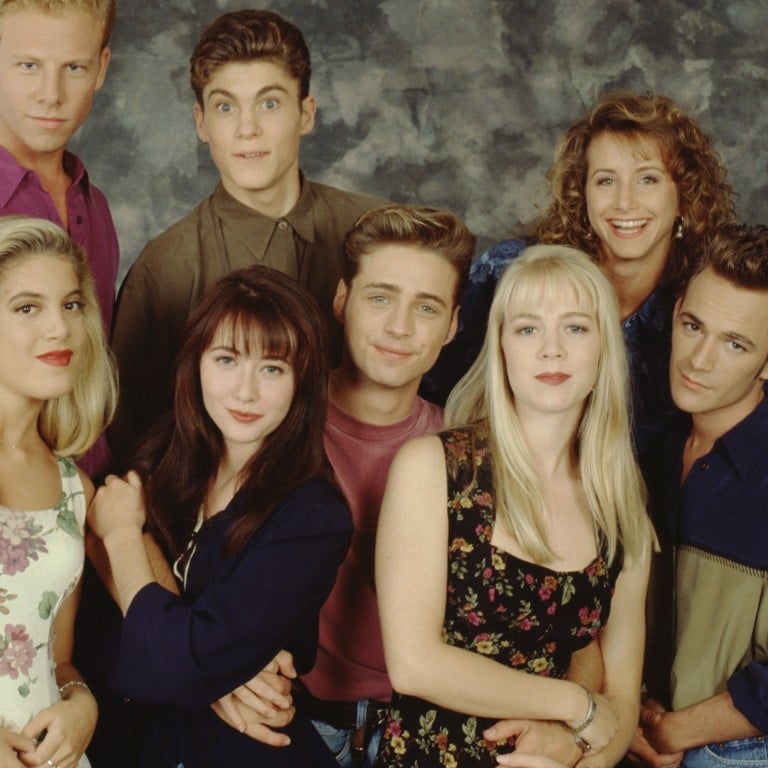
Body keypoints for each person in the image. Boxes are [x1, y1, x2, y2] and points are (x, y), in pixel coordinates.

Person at [375, 245, 653, 767]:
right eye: (528, 329)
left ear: (604, 351)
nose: (552, 350)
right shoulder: (434, 469)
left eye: (575, 328)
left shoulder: (621, 506)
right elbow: (414, 665)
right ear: (501, 348)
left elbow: (622, 703)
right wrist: (576, 706)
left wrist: (576, 756)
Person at [88, 265, 353, 767]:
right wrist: (216, 671)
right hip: (137, 745)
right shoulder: (159, 453)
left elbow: (176, 661)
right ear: (197, 363)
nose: (245, 391)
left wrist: (124, 537)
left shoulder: (313, 518)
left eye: (273, 368)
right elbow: (96, 630)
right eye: (227, 359)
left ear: (303, 382)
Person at [109, 8, 385, 459]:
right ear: (202, 123)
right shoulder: (165, 270)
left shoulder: (375, 237)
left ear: (306, 113)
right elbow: (133, 437)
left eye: (269, 103)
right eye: (225, 107)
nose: (247, 128)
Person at [424, 90, 736, 470]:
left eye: (648, 179)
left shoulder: (700, 311)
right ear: (582, 192)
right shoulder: (508, 274)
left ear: (684, 196)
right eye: (606, 181)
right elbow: (427, 394)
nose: (625, 202)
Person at [295, 205, 475, 767]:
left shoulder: (469, 451)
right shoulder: (273, 418)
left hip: (422, 729)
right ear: (342, 299)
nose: (400, 327)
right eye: (380, 297)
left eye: (426, 307)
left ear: (451, 326)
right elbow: (131, 521)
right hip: (296, 720)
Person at [628, 224, 768, 768]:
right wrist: (632, 713)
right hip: (643, 726)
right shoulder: (651, 447)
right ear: (678, 310)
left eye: (735, 344)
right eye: (693, 326)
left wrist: (678, 730)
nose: (698, 360)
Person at [0, 216, 116, 768]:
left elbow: (57, 661)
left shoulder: (75, 488)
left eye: (71, 305)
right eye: (27, 307)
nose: (61, 329)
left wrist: (82, 707)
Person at [0, 0, 119, 478]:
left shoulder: (97, 208)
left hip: (90, 500)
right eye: (28, 65)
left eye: (73, 67)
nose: (51, 94)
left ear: (101, 68)